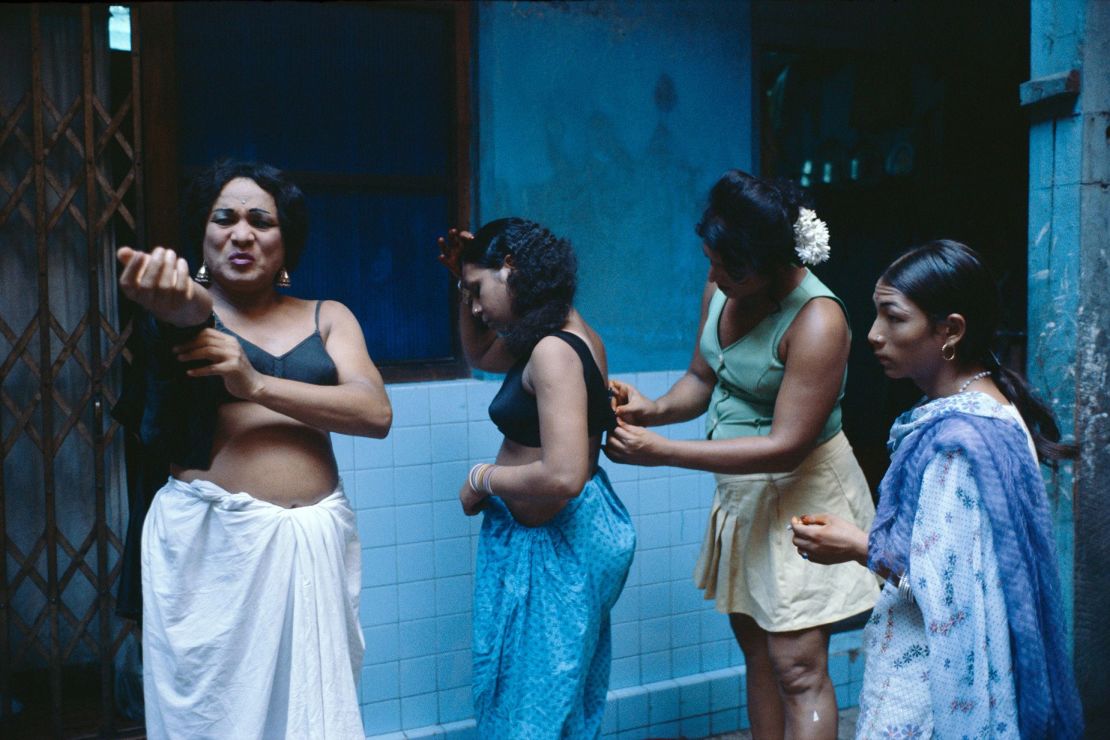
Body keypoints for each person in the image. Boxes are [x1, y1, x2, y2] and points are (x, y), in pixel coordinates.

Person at [114, 160, 392, 739]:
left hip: (313, 543)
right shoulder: (181, 313)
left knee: (310, 718)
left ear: (285, 242)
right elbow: (186, 321)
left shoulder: (328, 316)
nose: (242, 233)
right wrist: (178, 308)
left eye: (261, 220)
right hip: (214, 553)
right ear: (202, 235)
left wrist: (257, 383)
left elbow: (374, 413)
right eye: (225, 218)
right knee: (219, 720)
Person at [605, 170, 878, 739]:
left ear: (773, 262)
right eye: (710, 261)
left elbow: (785, 447)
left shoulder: (818, 320)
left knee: (798, 667)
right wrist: (650, 409)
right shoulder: (725, 286)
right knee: (757, 650)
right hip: (743, 493)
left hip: (803, 496)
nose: (713, 277)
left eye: (727, 268)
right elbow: (702, 378)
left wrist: (662, 452)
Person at [790, 240, 1084, 739]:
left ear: (950, 331)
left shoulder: (958, 444)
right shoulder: (993, 407)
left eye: (893, 317)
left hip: (931, 681)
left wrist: (857, 545)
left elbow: (952, 586)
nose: (873, 335)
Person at [436, 218, 636, 738]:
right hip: (561, 540)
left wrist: (483, 478)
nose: (477, 308)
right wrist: (463, 284)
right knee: (555, 705)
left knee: (532, 714)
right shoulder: (567, 332)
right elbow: (479, 353)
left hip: (554, 550)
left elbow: (565, 475)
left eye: (479, 291)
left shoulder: (552, 351)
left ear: (512, 270)